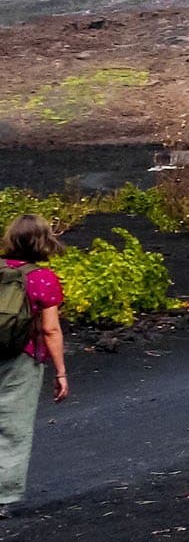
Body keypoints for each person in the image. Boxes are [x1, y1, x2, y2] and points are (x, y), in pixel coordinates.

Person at [0, 214, 71, 513]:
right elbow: (50, 330)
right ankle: (2, 495)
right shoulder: (43, 279)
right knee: (11, 427)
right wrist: (60, 372)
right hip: (22, 357)